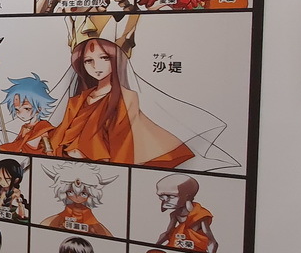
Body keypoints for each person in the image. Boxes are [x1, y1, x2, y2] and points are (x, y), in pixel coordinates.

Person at [45, 36, 192, 167]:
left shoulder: (126, 98)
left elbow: (123, 142)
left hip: (100, 166)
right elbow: (59, 135)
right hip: (66, 162)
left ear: (115, 59)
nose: (96, 66)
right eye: (88, 60)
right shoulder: (77, 100)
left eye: (104, 58)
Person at [39, 162, 113, 236]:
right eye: (70, 192)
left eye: (83, 194)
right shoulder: (64, 213)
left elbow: (100, 231)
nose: (77, 197)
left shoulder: (88, 214)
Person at [154, 174, 217, 253]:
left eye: (171, 196)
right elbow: (167, 233)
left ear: (187, 196)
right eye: (162, 197)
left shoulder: (200, 215)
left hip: (196, 250)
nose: (165, 200)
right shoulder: (174, 215)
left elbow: (211, 241)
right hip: (176, 246)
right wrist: (154, 247)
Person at [0, 73, 57, 154]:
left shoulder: (42, 126)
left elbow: (48, 148)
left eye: (26, 108)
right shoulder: (25, 126)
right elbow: (17, 142)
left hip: (35, 155)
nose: (21, 114)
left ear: (39, 108)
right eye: (17, 109)